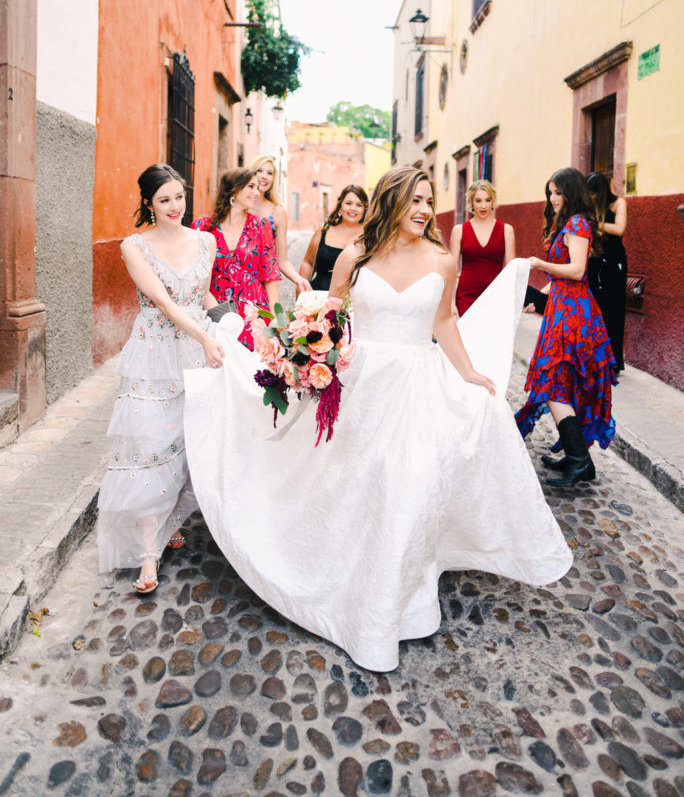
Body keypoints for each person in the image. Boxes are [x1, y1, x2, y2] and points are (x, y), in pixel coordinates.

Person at [183, 166, 572, 672]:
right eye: (415, 200)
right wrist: (302, 354)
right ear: (392, 202)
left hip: (417, 387)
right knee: (357, 480)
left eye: (429, 201)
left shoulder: (442, 259)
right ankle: (350, 581)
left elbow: (444, 320)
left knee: (409, 481)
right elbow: (329, 318)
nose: (424, 210)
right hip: (362, 385)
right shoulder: (355, 257)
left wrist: (471, 373)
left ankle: (399, 604)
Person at [97, 164, 225, 595]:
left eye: (180, 197)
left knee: (192, 441)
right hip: (154, 353)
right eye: (164, 199)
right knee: (151, 443)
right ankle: (149, 554)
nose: (175, 206)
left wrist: (238, 326)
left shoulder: (206, 240)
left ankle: (168, 519)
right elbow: (167, 304)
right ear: (149, 203)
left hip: (196, 348)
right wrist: (205, 338)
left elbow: (202, 296)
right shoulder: (135, 246)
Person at [515, 167, 618, 488]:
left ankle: (579, 460)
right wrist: (536, 297)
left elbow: (576, 270)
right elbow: (561, 279)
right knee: (559, 383)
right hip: (561, 310)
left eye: (558, 193)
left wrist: (539, 264)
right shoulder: (568, 224)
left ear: (571, 193)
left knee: (554, 383)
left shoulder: (578, 223)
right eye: (550, 193)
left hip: (574, 317)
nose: (552, 199)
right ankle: (577, 458)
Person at [192, 168, 281, 350]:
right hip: (215, 311)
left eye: (258, 187)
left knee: (252, 372)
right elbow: (196, 276)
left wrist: (275, 318)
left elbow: (270, 276)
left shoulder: (261, 226)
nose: (257, 193)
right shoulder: (202, 227)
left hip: (254, 314)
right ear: (233, 189)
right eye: (251, 187)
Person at [450, 179, 516, 316]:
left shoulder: (506, 230)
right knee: (467, 337)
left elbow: (511, 271)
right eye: (478, 201)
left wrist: (513, 300)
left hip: (496, 295)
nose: (483, 205)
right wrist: (450, 302)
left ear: (493, 202)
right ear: (471, 203)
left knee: (492, 337)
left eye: (487, 200)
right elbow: (452, 269)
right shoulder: (459, 230)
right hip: (466, 296)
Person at [251, 154, 311, 293]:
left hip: (262, 286)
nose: (264, 176)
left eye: (269, 173)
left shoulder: (277, 213)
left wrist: (299, 279)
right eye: (259, 171)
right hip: (231, 280)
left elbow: (282, 260)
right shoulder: (239, 206)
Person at [586, 172, 628, 372]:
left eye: (592, 193)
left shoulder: (618, 203)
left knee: (614, 308)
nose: (590, 196)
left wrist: (597, 224)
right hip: (594, 259)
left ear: (599, 192)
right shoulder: (589, 207)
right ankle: (597, 358)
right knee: (596, 307)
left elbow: (620, 229)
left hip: (614, 260)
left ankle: (614, 361)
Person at [298, 184, 369, 291]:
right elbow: (308, 263)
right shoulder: (324, 230)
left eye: (359, 205)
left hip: (351, 302)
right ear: (340, 205)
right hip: (318, 299)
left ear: (364, 209)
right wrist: (301, 291)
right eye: (348, 203)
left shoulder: (369, 236)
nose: (353, 208)